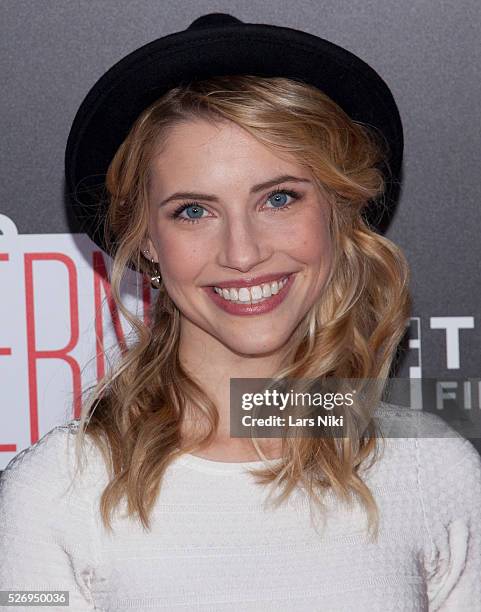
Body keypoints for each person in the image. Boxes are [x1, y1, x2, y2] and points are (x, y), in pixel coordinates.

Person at [1, 12, 480, 612]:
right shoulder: (55, 494)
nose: (243, 253)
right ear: (146, 238)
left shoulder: (434, 471)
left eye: (278, 198)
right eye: (193, 211)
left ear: (336, 211)